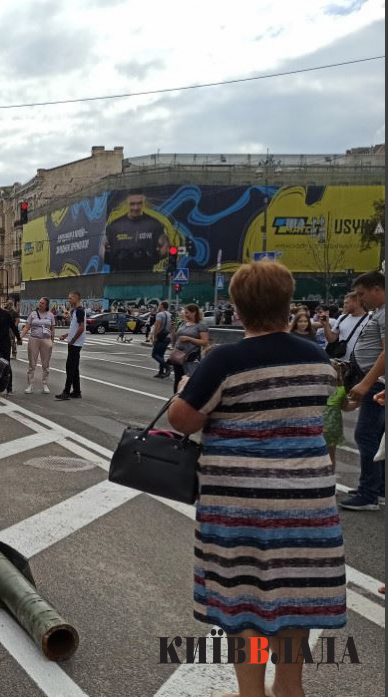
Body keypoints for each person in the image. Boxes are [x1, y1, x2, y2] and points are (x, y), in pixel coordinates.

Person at [168, 261, 344, 697]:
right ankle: (288, 689)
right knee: (293, 600)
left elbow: (183, 421)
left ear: (238, 308)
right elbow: (323, 423)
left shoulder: (225, 361)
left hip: (240, 508)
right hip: (308, 505)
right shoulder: (318, 358)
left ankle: (251, 693)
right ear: (287, 305)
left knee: (243, 603)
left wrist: (182, 389)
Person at [339, 270, 385, 511]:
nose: (361, 299)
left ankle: (369, 494)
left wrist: (367, 382)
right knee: (378, 438)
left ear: (377, 289)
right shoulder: (378, 312)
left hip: (377, 382)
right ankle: (378, 487)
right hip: (377, 381)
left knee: (365, 436)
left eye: (362, 294)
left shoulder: (384, 313)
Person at [102, 192, 170, 272]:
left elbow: (165, 246)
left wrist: (154, 259)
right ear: (127, 204)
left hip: (146, 275)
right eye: (132, 204)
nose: (135, 207)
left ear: (143, 203)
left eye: (139, 203)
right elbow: (101, 246)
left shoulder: (154, 224)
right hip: (118, 276)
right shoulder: (114, 226)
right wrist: (112, 260)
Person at [168, 303, 209, 394]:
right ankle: (176, 398)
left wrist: (189, 339)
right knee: (178, 379)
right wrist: (173, 330)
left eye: (187, 312)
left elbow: (205, 341)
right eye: (185, 312)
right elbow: (176, 337)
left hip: (191, 356)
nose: (185, 314)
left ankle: (188, 399)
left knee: (189, 379)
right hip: (178, 355)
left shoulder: (200, 325)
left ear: (194, 312)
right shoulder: (183, 323)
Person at [320, 292, 368, 367]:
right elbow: (331, 339)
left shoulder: (371, 319)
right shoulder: (342, 318)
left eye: (346, 303)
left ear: (357, 302)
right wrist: (326, 326)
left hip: (362, 364)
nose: (344, 306)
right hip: (342, 363)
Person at [20, 297, 55, 394]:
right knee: (32, 363)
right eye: (39, 302)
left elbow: (52, 329)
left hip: (46, 340)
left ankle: (45, 384)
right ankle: (30, 384)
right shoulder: (33, 314)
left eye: (42, 303)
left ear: (46, 305)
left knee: (45, 364)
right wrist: (20, 337)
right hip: (34, 339)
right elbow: (27, 327)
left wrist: (52, 341)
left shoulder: (50, 315)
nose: (40, 304)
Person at [55, 291, 86, 400]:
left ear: (76, 298)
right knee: (74, 368)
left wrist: (73, 339)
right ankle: (77, 391)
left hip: (75, 344)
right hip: (74, 342)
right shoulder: (76, 311)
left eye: (70, 298)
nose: (69, 300)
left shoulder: (79, 311)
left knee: (70, 367)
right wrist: (67, 335)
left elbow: (81, 328)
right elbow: (75, 327)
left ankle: (66, 392)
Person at [0, 295, 21, 396]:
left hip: (5, 342)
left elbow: (13, 326)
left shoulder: (5, 314)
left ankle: (9, 388)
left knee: (6, 364)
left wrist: (18, 338)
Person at [150, 301, 173, 378]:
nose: (158, 307)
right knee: (161, 354)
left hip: (161, 336)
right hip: (168, 336)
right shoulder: (170, 315)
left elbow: (157, 326)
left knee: (154, 354)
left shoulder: (160, 315)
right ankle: (161, 372)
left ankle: (167, 367)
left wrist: (155, 336)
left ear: (162, 306)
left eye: (159, 305)